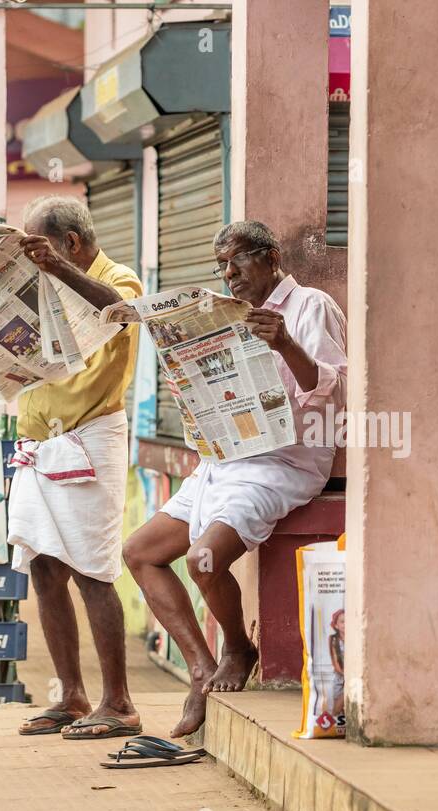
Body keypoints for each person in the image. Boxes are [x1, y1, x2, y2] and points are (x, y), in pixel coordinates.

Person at [123, 220, 347, 738]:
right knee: (139, 553)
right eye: (222, 266)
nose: (229, 274)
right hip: (223, 461)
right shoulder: (227, 315)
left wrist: (287, 343)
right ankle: (202, 666)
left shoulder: (311, 306)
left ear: (270, 259)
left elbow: (331, 391)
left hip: (283, 463)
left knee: (203, 560)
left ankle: (238, 648)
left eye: (238, 262)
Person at [0, 196, 144, 740]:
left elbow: (123, 313)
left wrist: (55, 268)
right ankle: (72, 695)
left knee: (92, 570)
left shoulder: (115, 277)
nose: (33, 261)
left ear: (71, 244)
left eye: (38, 249)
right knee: (42, 567)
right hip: (37, 442)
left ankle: (120, 702)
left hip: (89, 438)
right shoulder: (44, 285)